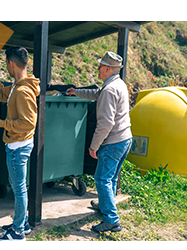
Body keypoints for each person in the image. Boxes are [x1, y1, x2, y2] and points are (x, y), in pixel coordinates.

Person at [66, 51, 132, 233]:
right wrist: (76, 92)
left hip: (113, 142)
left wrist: (94, 146)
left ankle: (112, 220)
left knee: (102, 179)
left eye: (100, 66)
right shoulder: (117, 84)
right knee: (109, 178)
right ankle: (104, 207)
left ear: (108, 68)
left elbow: (105, 123)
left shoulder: (110, 89)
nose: (98, 69)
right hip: (125, 139)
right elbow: (97, 94)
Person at [0, 47, 40, 241]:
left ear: (11, 64)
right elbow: (2, 93)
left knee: (19, 189)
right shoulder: (17, 86)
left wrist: (1, 123)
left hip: (18, 146)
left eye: (6, 64)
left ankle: (17, 233)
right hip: (17, 144)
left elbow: (29, 122)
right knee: (19, 187)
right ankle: (22, 223)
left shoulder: (23, 91)